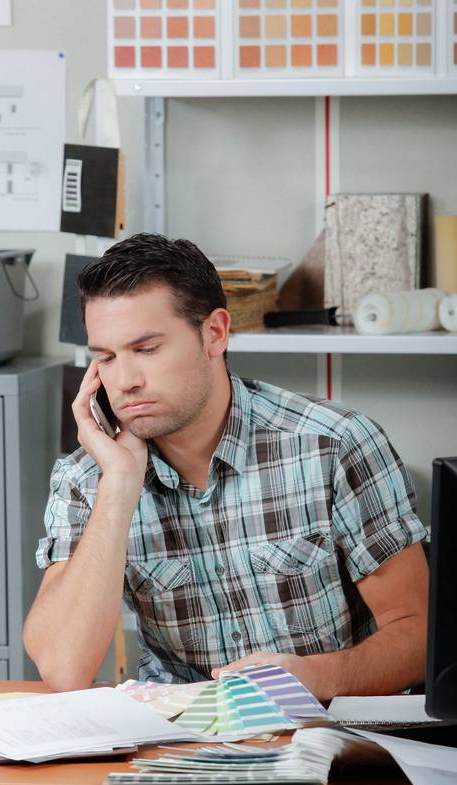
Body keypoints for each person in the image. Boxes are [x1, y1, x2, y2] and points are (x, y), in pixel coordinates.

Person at [23, 233, 429, 699]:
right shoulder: (87, 478)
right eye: (106, 358)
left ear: (214, 333)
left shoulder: (333, 445)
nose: (125, 381)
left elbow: (418, 635)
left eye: (147, 349)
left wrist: (319, 678)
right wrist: (118, 485)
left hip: (324, 722)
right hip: (179, 735)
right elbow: (64, 668)